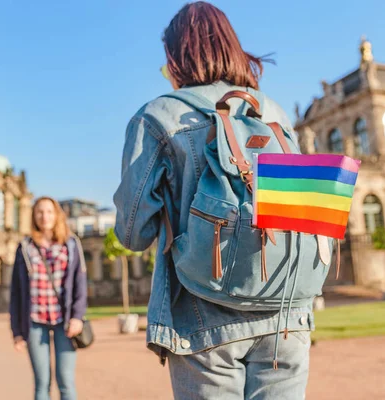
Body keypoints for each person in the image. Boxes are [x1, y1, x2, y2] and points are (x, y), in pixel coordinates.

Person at [113, 2, 315, 398]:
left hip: (202, 311)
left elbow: (133, 232)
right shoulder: (274, 113)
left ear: (176, 57)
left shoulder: (157, 116)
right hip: (287, 308)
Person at [9, 196, 87, 400]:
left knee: (66, 380)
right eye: (40, 212)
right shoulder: (25, 246)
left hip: (65, 320)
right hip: (35, 320)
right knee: (41, 382)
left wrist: (78, 316)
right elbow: (16, 292)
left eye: (49, 212)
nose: (45, 217)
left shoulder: (71, 244)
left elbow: (80, 283)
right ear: (34, 216)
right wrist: (17, 331)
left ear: (57, 215)